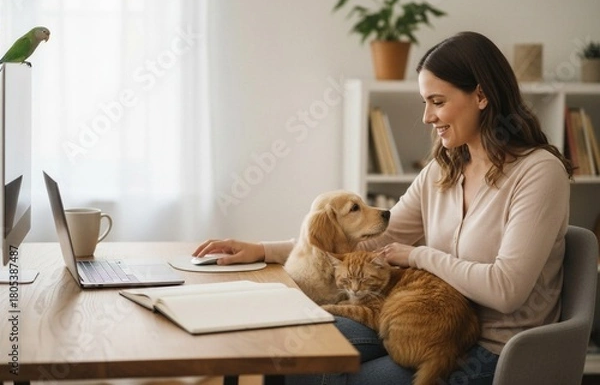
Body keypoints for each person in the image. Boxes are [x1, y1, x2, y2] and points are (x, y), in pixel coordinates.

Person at [193, 31, 573, 384]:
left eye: (438, 102)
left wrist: (419, 256)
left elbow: (507, 290)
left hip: (493, 353)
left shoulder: (538, 173)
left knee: (321, 369)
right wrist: (263, 250)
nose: (427, 117)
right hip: (426, 323)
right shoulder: (443, 169)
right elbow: (373, 242)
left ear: (481, 96)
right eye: (425, 103)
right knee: (295, 338)